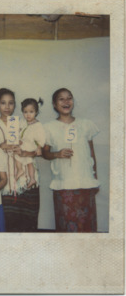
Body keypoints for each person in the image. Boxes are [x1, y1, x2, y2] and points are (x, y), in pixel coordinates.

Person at [42, 88, 100, 232]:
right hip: (64, 184)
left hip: (85, 182)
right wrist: (57, 154)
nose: (66, 101)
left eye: (69, 98)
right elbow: (45, 153)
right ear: (54, 104)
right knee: (67, 226)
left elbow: (91, 153)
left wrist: (95, 177)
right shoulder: (48, 127)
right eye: (61, 99)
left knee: (86, 224)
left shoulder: (85, 124)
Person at [0, 88, 41, 232]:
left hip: (27, 176)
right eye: (3, 103)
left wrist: (24, 151)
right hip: (6, 179)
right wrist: (1, 146)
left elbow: (38, 149)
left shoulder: (24, 122)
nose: (7, 107)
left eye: (11, 103)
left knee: (28, 222)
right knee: (9, 222)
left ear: (15, 105)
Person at [15, 98, 46, 189]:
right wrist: (18, 139)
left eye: (31, 112)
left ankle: (29, 176)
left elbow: (41, 138)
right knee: (19, 156)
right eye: (25, 112)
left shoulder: (38, 125)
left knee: (28, 160)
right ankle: (25, 173)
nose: (28, 115)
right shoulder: (22, 122)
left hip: (30, 145)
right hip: (23, 144)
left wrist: (39, 147)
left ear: (36, 112)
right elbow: (18, 131)